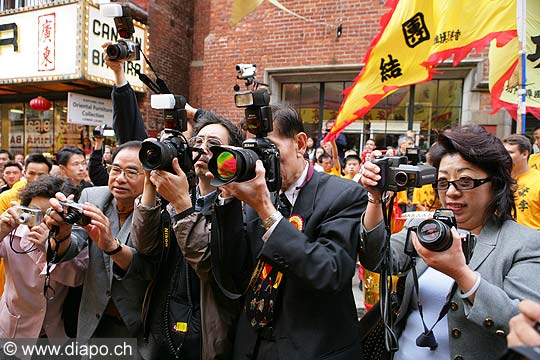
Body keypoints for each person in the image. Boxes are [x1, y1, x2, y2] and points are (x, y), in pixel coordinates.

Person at [360, 125, 540, 360]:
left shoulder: (524, 243)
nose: (451, 192)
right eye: (443, 182)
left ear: (495, 184)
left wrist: (462, 275)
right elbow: (376, 258)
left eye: (465, 181)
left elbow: (522, 323)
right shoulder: (426, 228)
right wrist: (375, 198)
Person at [212, 103, 368, 359]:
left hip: (313, 349)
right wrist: (229, 200)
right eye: (254, 151)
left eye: (269, 148)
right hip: (252, 347)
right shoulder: (255, 195)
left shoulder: (343, 194)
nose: (261, 161)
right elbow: (232, 270)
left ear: (300, 143)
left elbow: (330, 272)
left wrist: (266, 211)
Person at [131, 112, 244, 359]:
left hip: (206, 330)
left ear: (230, 154)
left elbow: (209, 264)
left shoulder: (236, 207)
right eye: (197, 142)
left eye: (213, 144)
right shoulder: (179, 196)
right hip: (163, 319)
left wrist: (182, 204)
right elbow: (145, 245)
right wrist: (150, 185)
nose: (202, 149)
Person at [46, 141, 158, 359]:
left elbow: (147, 267)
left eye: (132, 172)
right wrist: (61, 233)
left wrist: (111, 246)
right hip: (94, 321)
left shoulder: (159, 209)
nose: (120, 178)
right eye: (115, 169)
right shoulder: (94, 197)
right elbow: (74, 245)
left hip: (137, 326)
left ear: (150, 178)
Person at [0, 175, 86, 338]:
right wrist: (2, 230)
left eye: (49, 215)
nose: (40, 222)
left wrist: (49, 248)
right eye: (33, 213)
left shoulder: (72, 237)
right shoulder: (14, 232)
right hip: (13, 330)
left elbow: (77, 277)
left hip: (55, 332)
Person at [503, 134, 540, 229]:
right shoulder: (500, 180)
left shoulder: (537, 181)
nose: (505, 156)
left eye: (510, 152)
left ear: (524, 154)